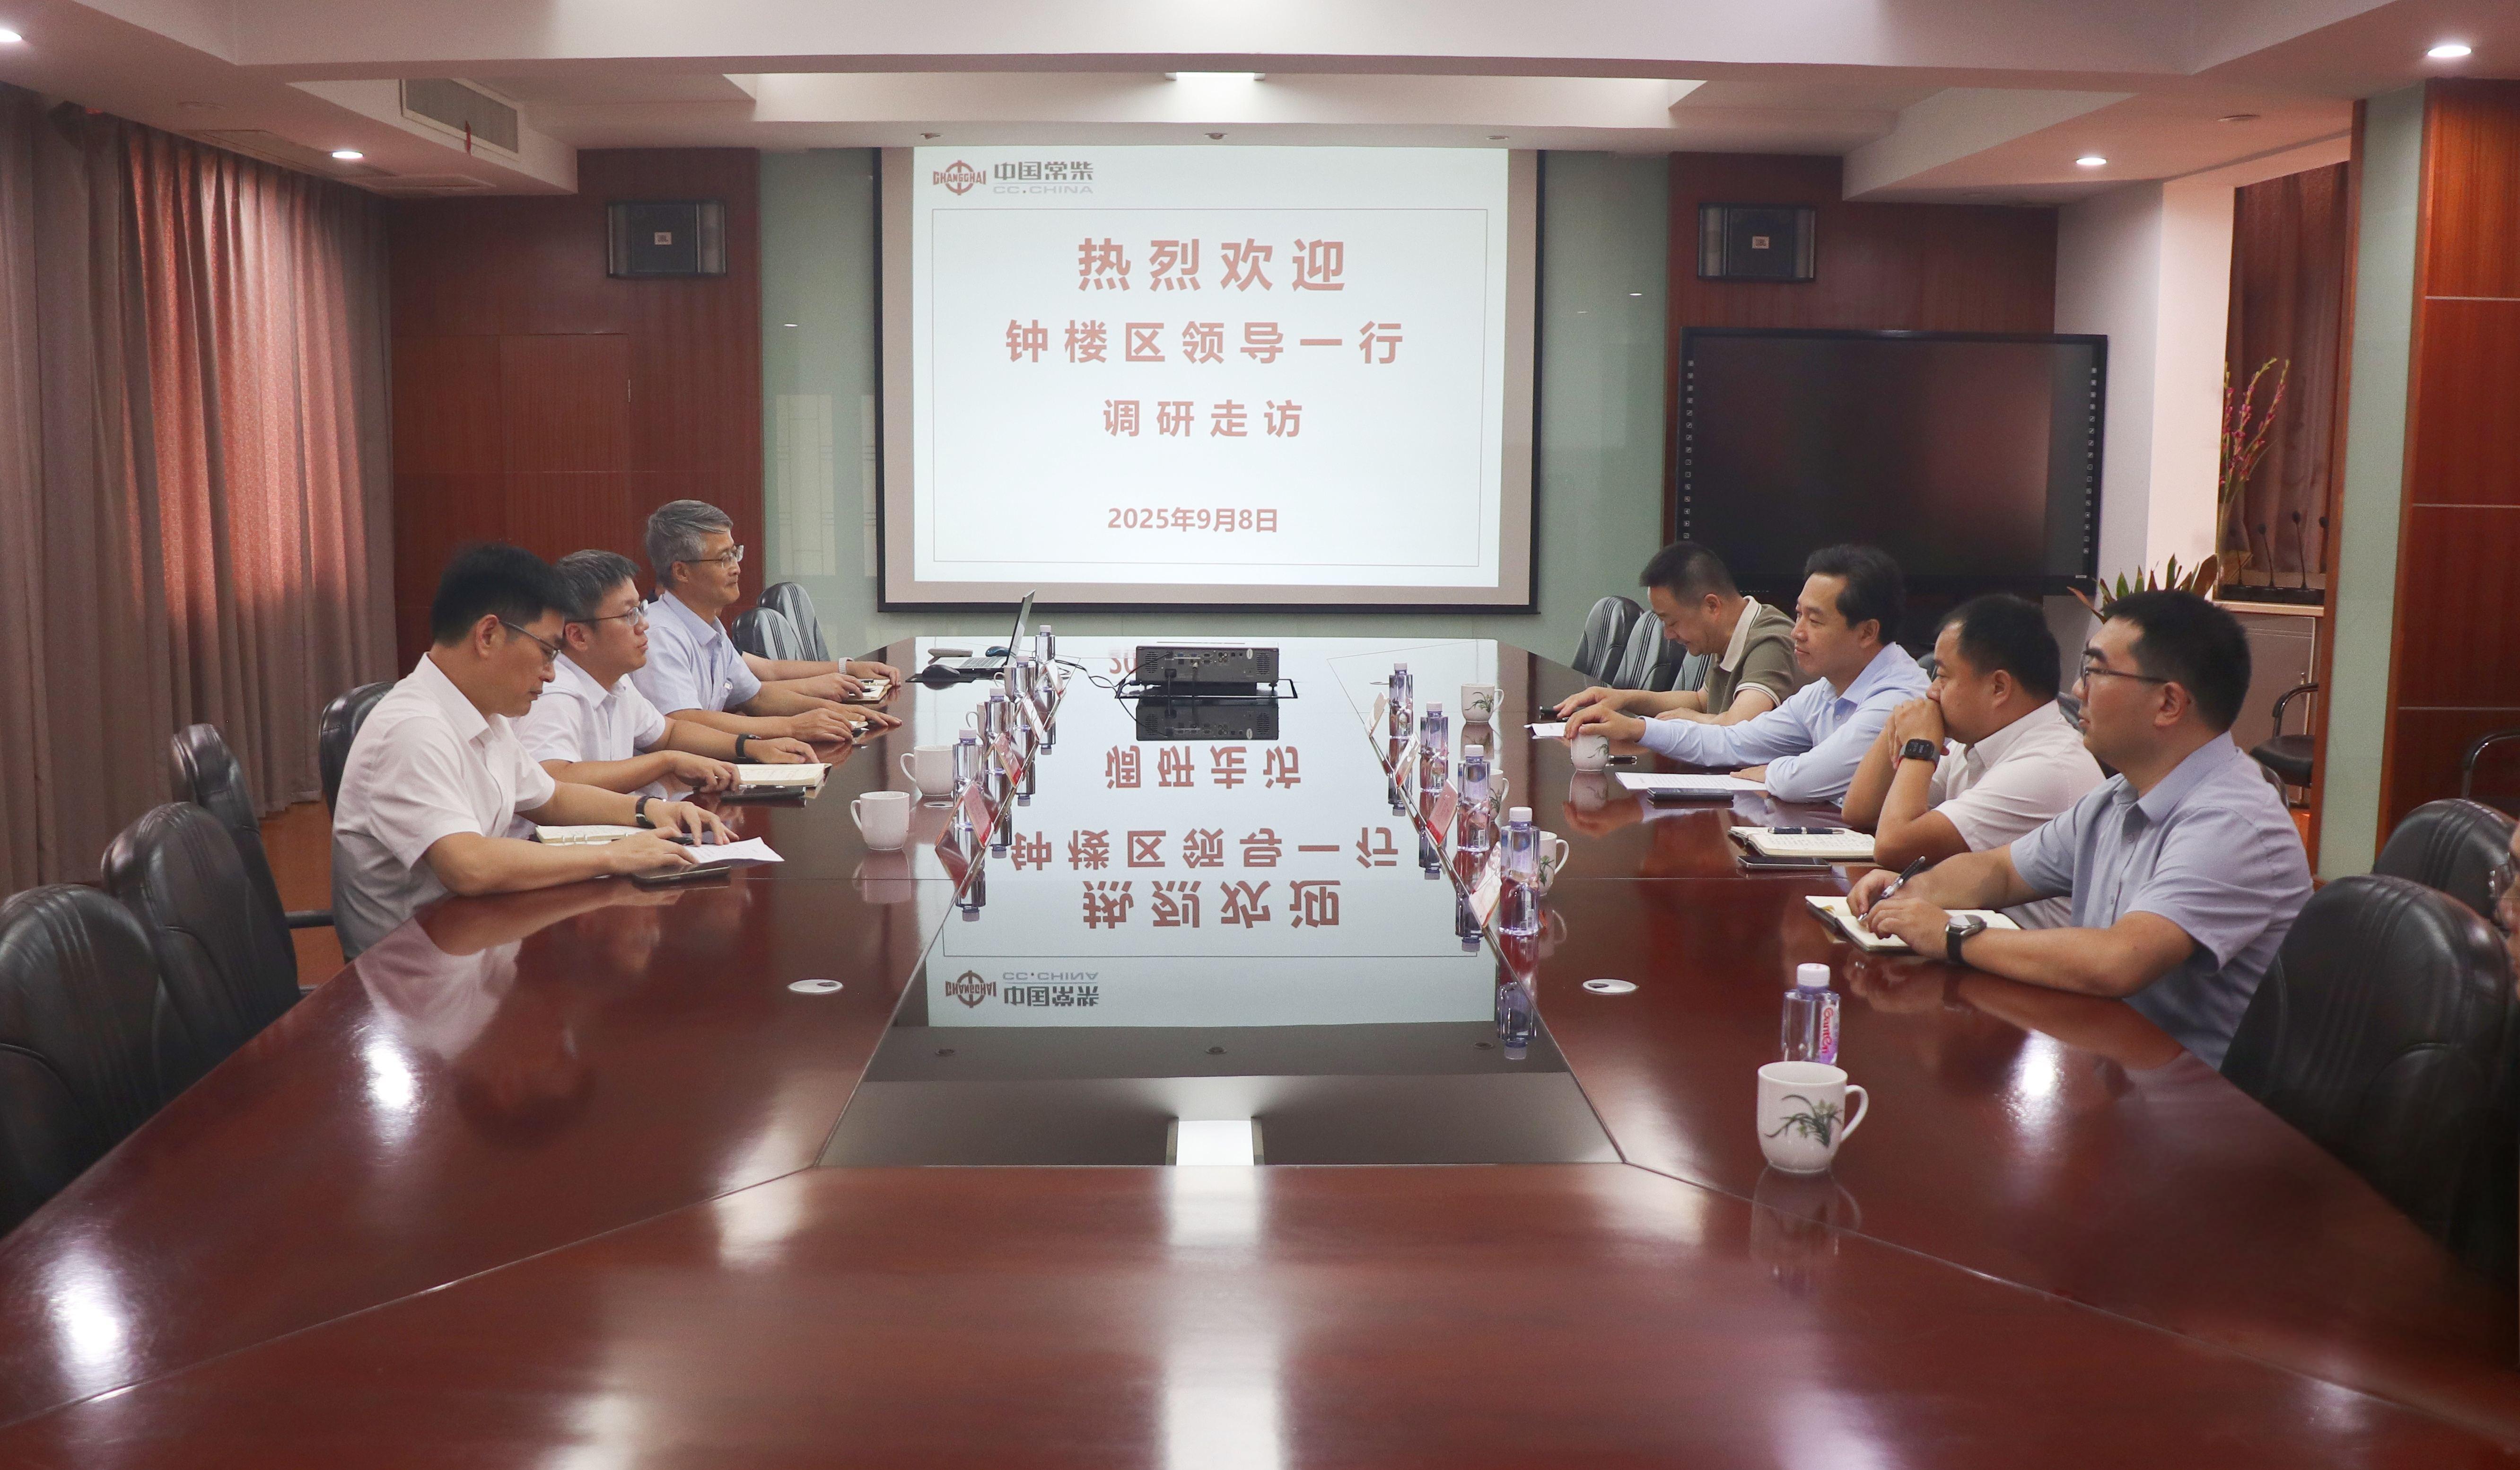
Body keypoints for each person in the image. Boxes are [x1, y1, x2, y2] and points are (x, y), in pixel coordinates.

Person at [1851, 590, 2311, 1070]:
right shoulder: (2118, 795)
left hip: (2194, 1093)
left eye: (2096, 672)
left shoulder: (2232, 821)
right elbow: (2001, 871)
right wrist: (1912, 889)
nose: (2077, 689)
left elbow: (2120, 959)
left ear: (2169, 703)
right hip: (2110, 1058)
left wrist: (1951, 934)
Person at [332, 544, 731, 958]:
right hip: (418, 975)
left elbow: (552, 797)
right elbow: (469, 865)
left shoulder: (483, 715)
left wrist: (650, 811)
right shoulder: (413, 729)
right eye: (546, 651)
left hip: (479, 946)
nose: (552, 672)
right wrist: (613, 856)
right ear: (488, 635)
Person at [1563, 545, 1927, 805]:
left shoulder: (1897, 700)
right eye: (1798, 615)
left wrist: (1773, 771)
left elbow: (1804, 779)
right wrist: (1637, 728)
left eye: (1814, 621)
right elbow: (1735, 741)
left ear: (1867, 632)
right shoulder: (1826, 690)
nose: (1796, 632)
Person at [1840, 594, 2102, 926]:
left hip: (2034, 952)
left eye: (1943, 676)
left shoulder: (2046, 765)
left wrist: (1920, 746)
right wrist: (1899, 724)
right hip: (1985, 933)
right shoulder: (1980, 742)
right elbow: (1860, 811)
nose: (1932, 691)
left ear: (1998, 687)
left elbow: (1893, 847)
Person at [516, 550, 820, 802]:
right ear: (578, 636)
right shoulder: (555, 693)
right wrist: (666, 762)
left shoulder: (617, 682)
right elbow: (554, 777)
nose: (643, 625)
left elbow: (669, 733)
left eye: (641, 609)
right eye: (629, 615)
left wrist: (750, 746)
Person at [630, 500, 902, 741]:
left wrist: (839, 712)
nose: (736, 568)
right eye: (724, 559)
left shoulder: (709, 626)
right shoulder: (659, 634)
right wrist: (792, 727)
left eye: (735, 554)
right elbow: (684, 720)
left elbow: (757, 697)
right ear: (682, 572)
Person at [1555, 540, 1811, 729]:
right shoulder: (1730, 634)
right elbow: (1701, 701)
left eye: (1672, 622)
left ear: (1712, 606)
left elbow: (1740, 726)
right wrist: (1621, 698)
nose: (1668, 635)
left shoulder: (1770, 640)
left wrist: (1669, 724)